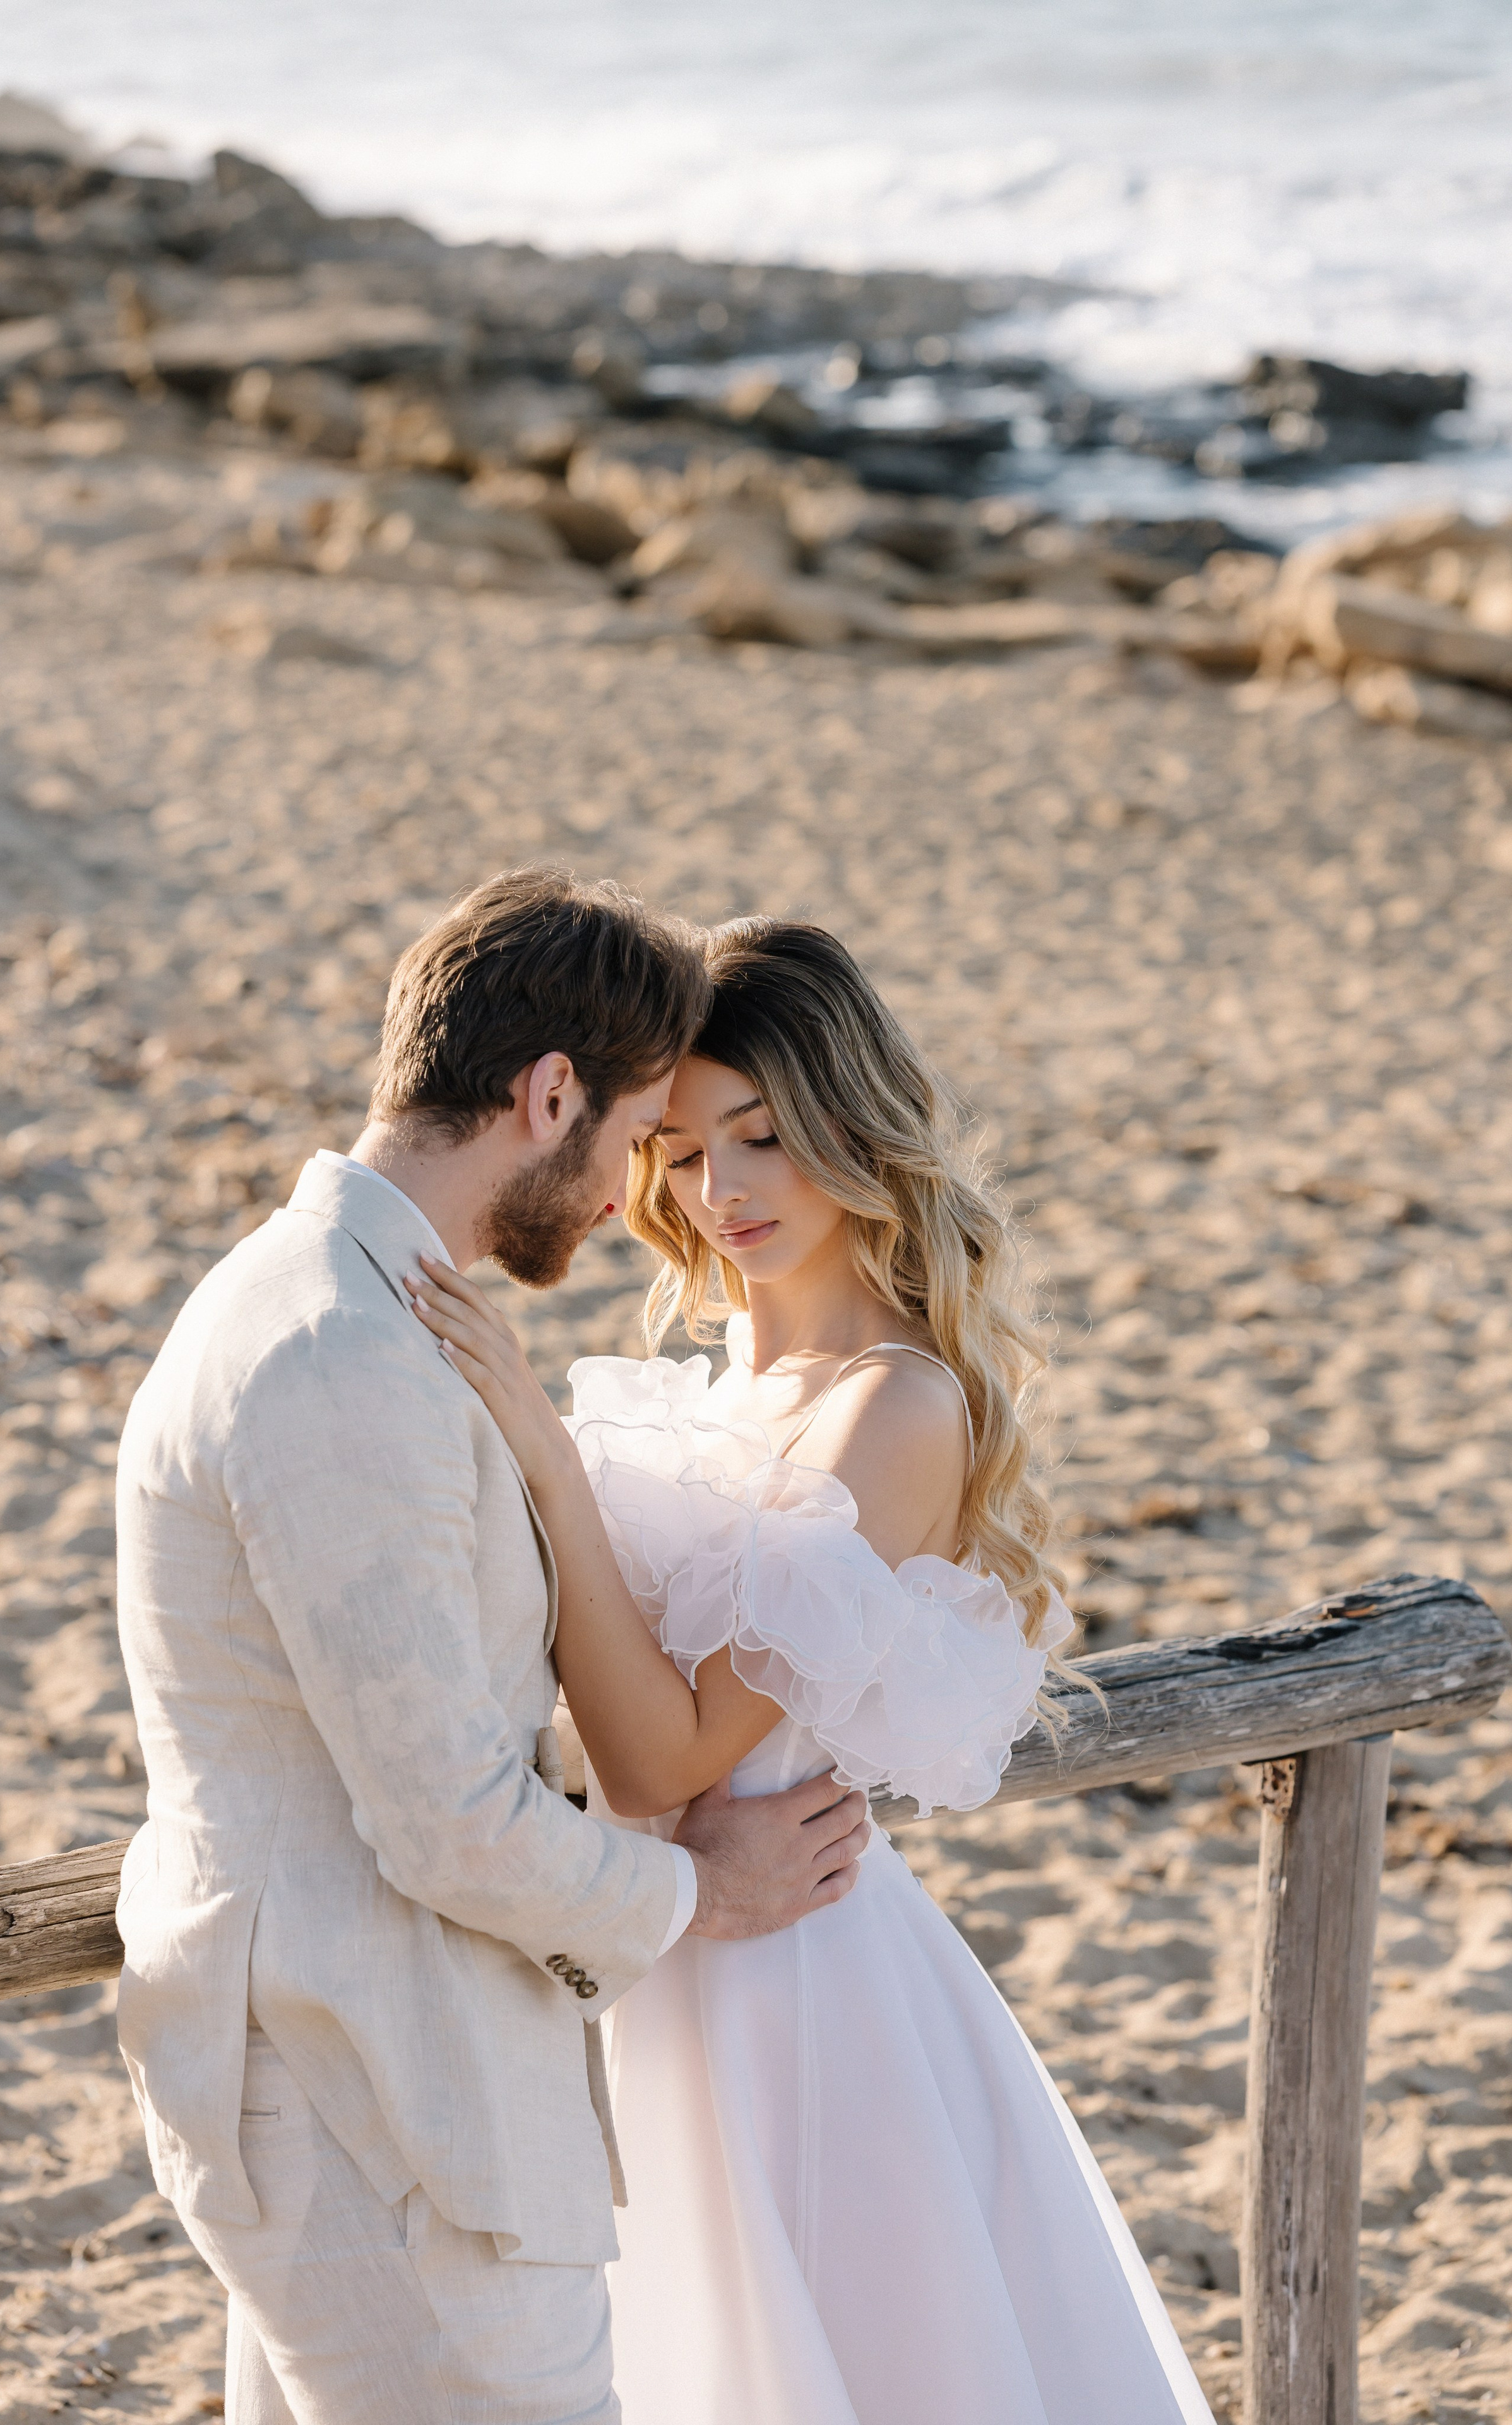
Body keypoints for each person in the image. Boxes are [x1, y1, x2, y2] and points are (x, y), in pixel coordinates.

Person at [405, 917, 1218, 2425]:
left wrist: (541, 1457)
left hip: (793, 1993)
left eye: (764, 1138)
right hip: (656, 1952)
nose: (722, 1194)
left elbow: (665, 1759)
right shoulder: (732, 1393)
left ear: (848, 1127)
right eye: (684, 1149)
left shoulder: (891, 1413)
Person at [113, 871, 871, 2425]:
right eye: (629, 1143)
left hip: (379, 2098)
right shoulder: (339, 1354)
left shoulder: (358, 1304)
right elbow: (448, 1818)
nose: (630, 1199)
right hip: (376, 2115)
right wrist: (698, 1890)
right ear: (544, 1095)